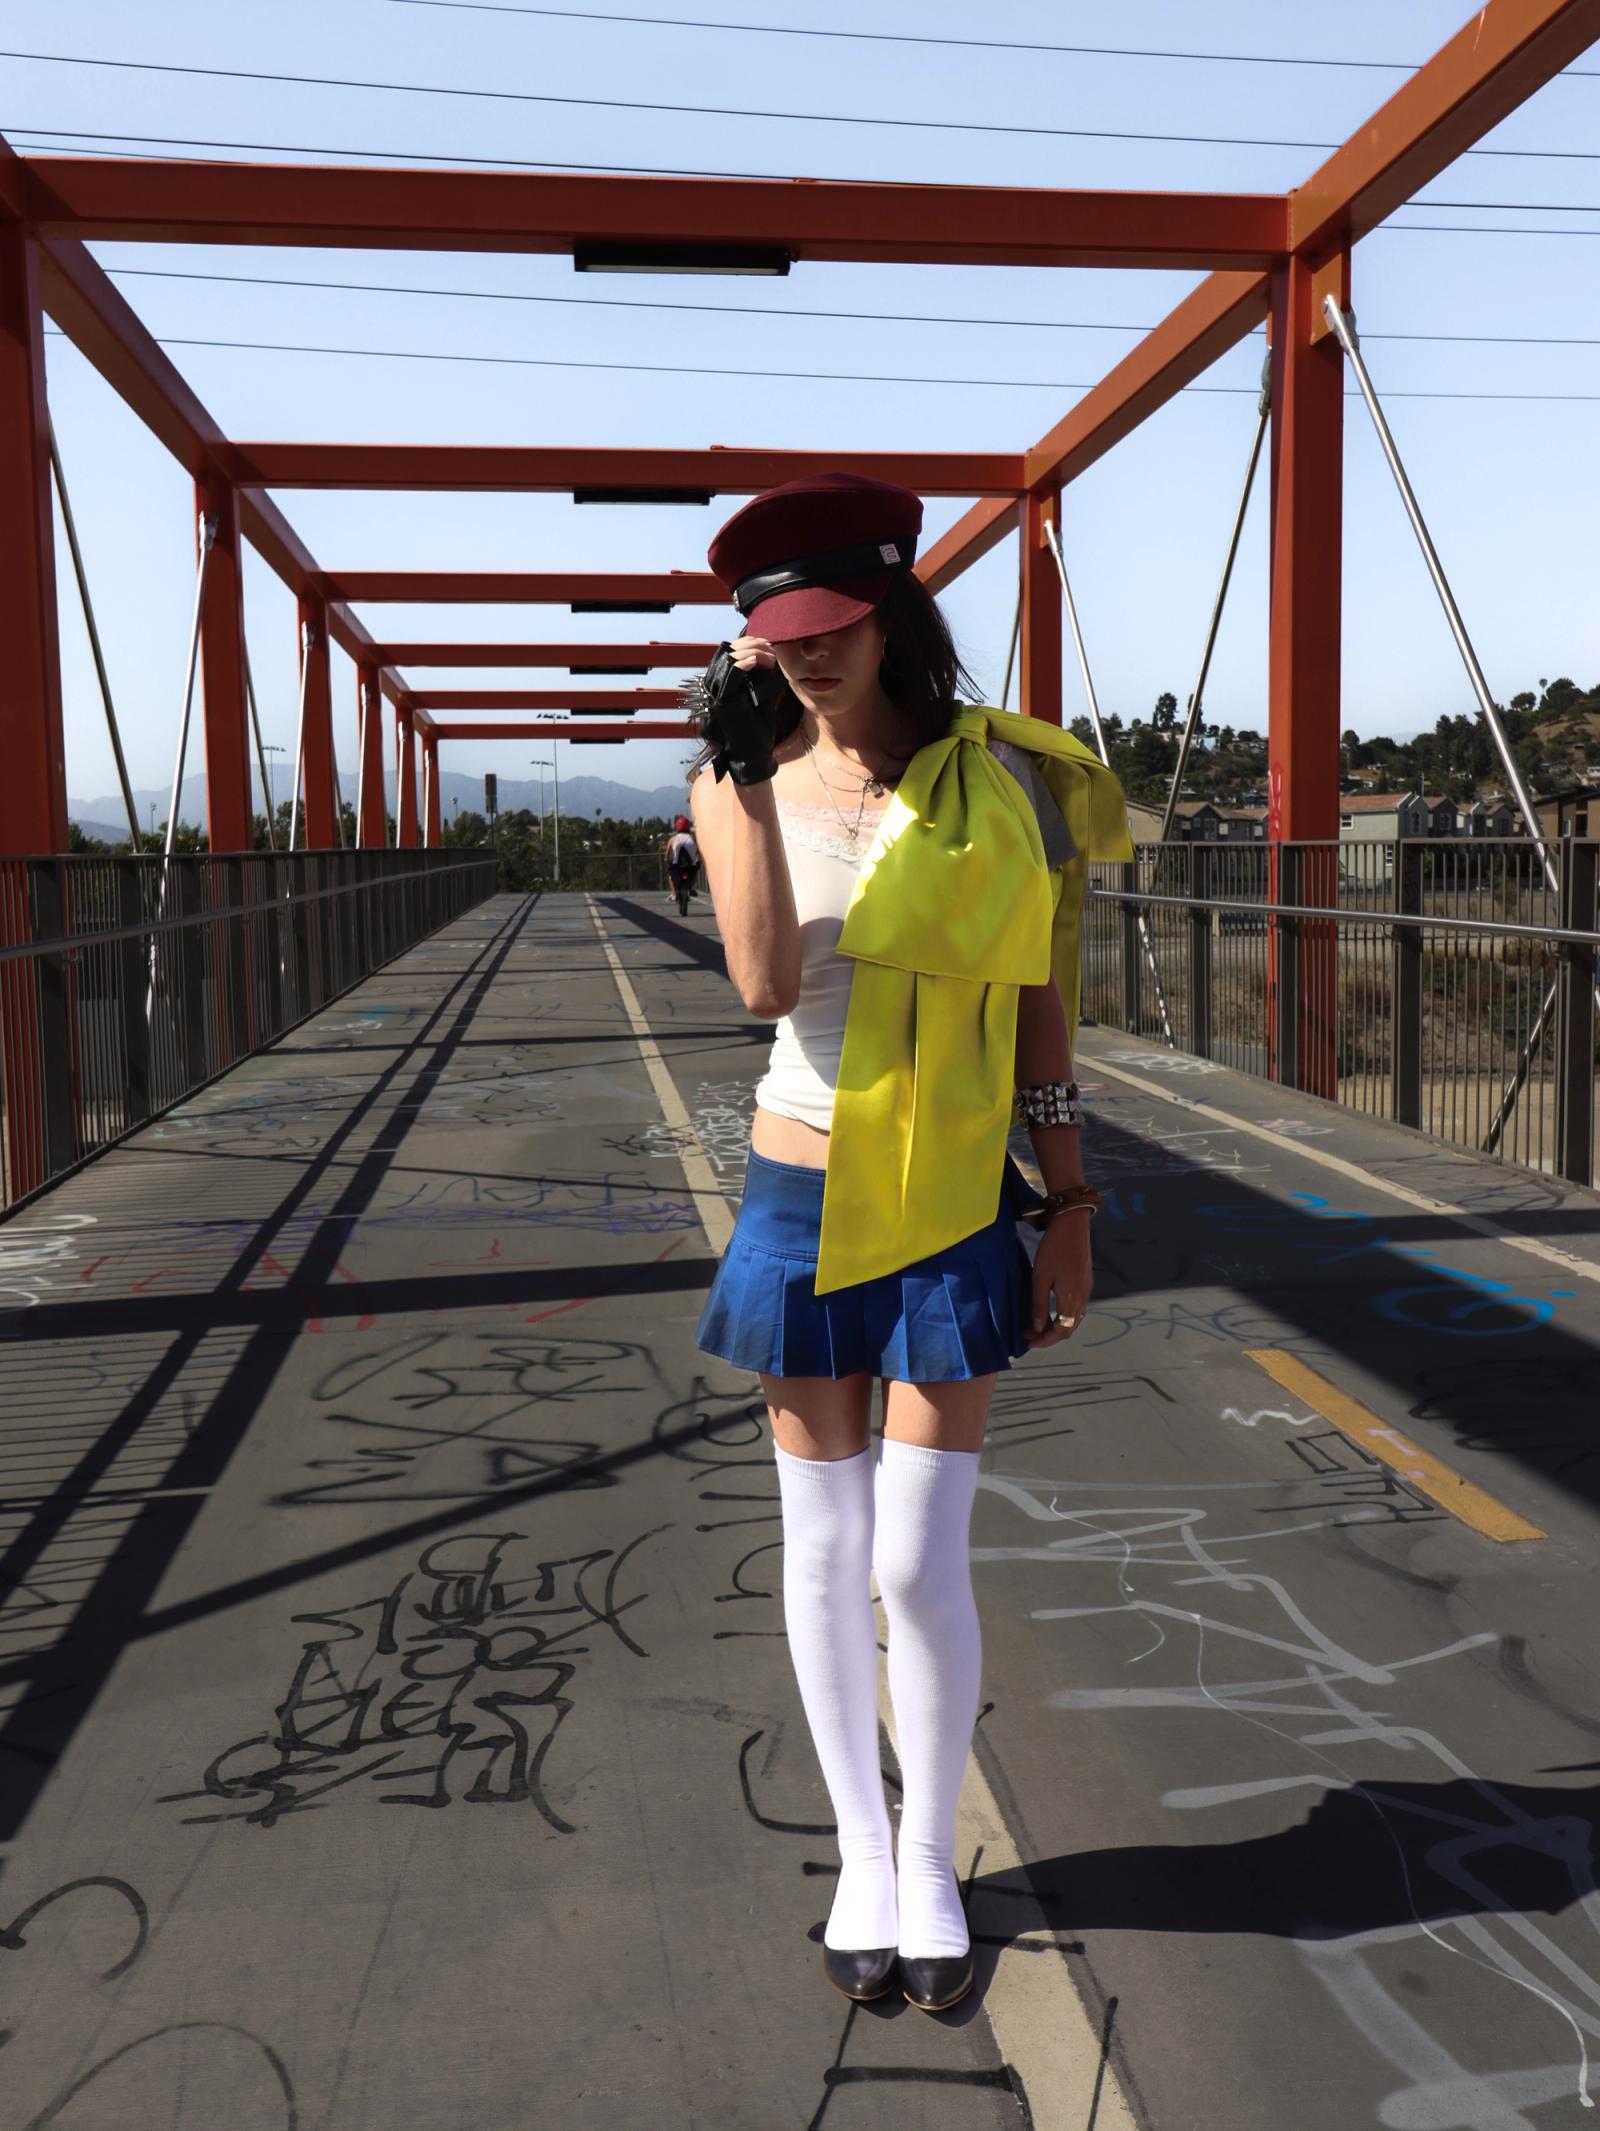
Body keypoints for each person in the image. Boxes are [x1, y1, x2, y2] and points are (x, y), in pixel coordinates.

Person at [687, 473, 1131, 2013]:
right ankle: (863, 1853)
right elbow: (762, 982)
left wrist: (1068, 1201)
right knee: (823, 1549)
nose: (811, 655)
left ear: (888, 610)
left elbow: (1037, 1005)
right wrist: (740, 778)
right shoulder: (733, 784)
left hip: (949, 1195)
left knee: (914, 1549)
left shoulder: (997, 782)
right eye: (782, 636)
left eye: (833, 625)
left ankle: (932, 1852)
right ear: (750, 643)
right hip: (799, 1194)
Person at [664, 814, 700, 915]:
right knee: (695, 872)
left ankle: (674, 894)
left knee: (671, 877)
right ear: (688, 827)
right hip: (690, 867)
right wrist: (697, 860)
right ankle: (691, 888)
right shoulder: (693, 838)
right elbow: (698, 852)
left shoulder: (673, 839)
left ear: (677, 827)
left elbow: (667, 854)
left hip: (677, 867)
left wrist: (667, 860)